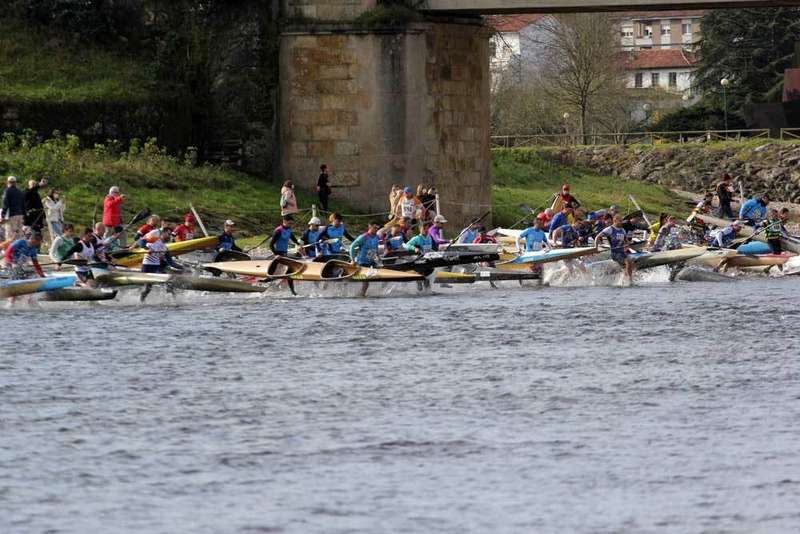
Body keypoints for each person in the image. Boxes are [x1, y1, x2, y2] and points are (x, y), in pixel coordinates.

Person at [139, 229, 183, 302]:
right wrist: (147, 249)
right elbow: (141, 242)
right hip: (147, 266)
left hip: (156, 268)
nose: (169, 236)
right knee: (147, 288)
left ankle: (173, 301)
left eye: (170, 235)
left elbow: (171, 263)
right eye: (168, 234)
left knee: (169, 283)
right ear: (163, 233)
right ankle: (141, 302)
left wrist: (182, 268)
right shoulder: (154, 239)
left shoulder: (165, 248)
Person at [595, 214, 633, 280]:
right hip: (615, 253)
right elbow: (597, 237)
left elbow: (626, 241)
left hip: (622, 252)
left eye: (621, 221)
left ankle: (625, 279)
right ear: (615, 221)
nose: (621, 222)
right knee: (628, 262)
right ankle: (629, 280)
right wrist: (596, 248)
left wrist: (628, 244)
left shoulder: (622, 230)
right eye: (620, 221)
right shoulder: (610, 229)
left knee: (629, 265)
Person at [1, 176, 25, 241]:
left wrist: (2, 215)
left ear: (8, 182)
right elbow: (23, 205)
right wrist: (24, 215)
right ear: (15, 183)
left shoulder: (7, 191)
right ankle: (20, 250)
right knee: (20, 235)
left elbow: (5, 204)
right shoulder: (20, 192)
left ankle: (11, 250)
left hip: (12, 215)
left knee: (10, 235)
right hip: (20, 215)